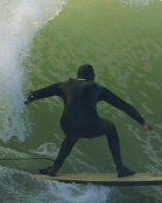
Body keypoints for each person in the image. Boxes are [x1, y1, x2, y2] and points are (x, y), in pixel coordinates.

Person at [25, 64, 154, 177]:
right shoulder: (97, 88)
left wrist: (20, 102)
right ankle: (121, 169)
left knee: (71, 136)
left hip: (67, 126)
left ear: (78, 75)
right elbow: (123, 105)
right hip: (89, 126)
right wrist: (142, 121)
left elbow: (35, 94)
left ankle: (54, 168)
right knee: (111, 128)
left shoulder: (63, 85)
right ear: (93, 76)